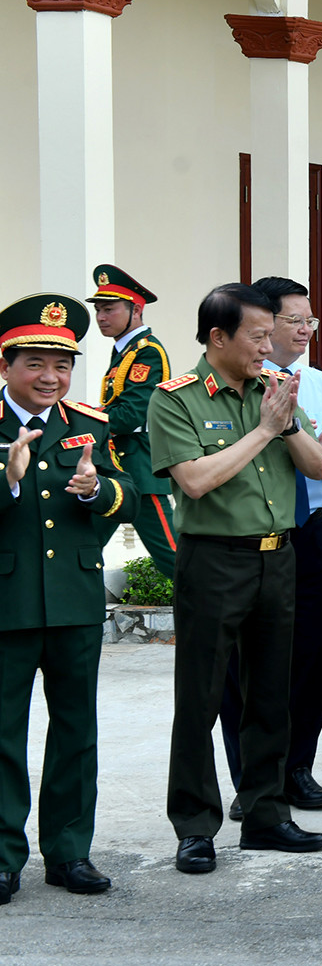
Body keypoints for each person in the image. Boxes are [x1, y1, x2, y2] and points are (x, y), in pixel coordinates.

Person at [148, 284, 322, 874]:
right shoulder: (173, 399)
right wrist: (261, 430)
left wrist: (287, 424)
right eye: (257, 335)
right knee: (200, 696)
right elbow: (196, 481)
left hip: (278, 558)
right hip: (214, 560)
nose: (268, 345)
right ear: (217, 337)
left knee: (270, 693)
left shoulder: (275, 389)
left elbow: (316, 466)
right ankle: (196, 827)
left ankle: (265, 813)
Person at [0, 294, 133, 902]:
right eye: (35, 364)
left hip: (75, 601)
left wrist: (95, 489)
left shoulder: (90, 424)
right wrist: (9, 479)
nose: (50, 378)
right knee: (4, 732)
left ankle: (70, 853)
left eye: (61, 365)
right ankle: (3, 856)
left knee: (76, 730)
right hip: (8, 604)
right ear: (6, 365)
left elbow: (129, 493)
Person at [214, 277, 322, 819]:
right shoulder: (227, 387)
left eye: (310, 321)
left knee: (308, 657)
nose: (305, 331)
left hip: (309, 531)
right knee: (242, 664)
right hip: (248, 535)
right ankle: (250, 778)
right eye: (294, 320)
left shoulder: (317, 383)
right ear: (262, 324)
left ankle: (297, 768)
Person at [88, 265, 176, 580]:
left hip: (138, 468)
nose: (100, 316)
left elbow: (130, 415)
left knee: (174, 559)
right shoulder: (123, 351)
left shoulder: (147, 352)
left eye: (109, 309)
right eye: (98, 309)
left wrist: (83, 419)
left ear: (136, 310)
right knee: (82, 548)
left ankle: (221, 618)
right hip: (114, 468)